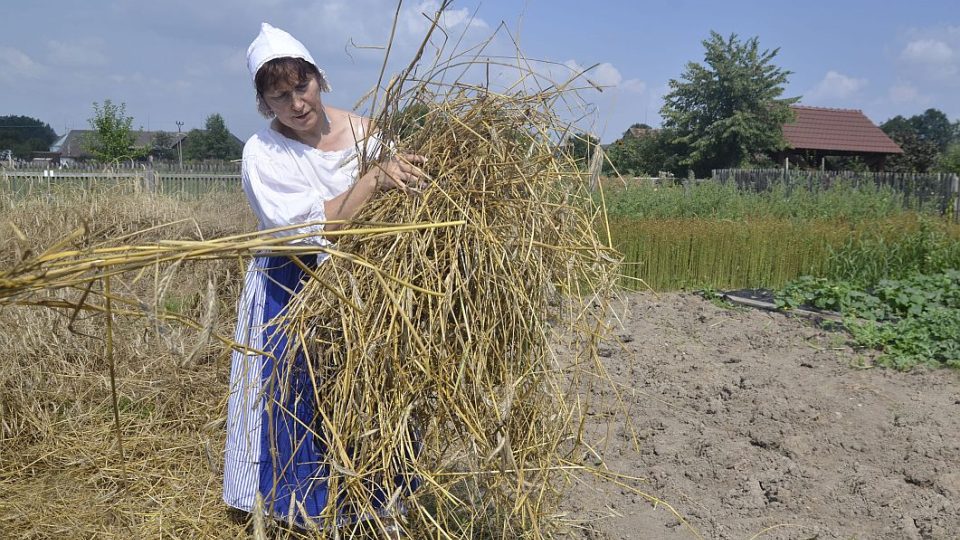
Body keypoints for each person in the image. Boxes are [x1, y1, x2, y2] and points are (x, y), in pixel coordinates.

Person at [223, 22, 422, 534]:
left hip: (367, 284)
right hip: (290, 285)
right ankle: (298, 509)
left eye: (301, 87)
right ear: (266, 104)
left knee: (369, 387)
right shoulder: (264, 154)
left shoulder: (370, 134)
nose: (296, 104)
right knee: (294, 395)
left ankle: (375, 502)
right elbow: (319, 227)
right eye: (279, 96)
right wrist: (374, 178)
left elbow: (406, 201)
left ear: (320, 79)